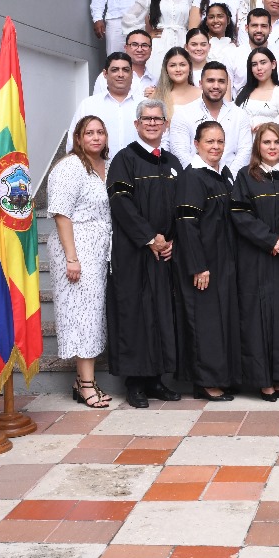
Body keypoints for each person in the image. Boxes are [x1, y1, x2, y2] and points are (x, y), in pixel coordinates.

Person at [106, 98, 183, 408]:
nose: (152, 123)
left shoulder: (173, 163)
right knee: (136, 315)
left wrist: (173, 240)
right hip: (134, 252)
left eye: (157, 119)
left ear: (165, 124)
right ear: (136, 124)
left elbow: (182, 207)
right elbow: (121, 203)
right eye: (147, 119)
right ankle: (135, 383)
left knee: (162, 313)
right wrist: (150, 237)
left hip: (164, 254)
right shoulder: (125, 160)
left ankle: (157, 380)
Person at [47, 116, 113, 408]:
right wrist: (72, 258)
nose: (96, 137)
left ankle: (82, 381)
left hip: (99, 250)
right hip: (76, 249)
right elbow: (61, 214)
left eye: (100, 132)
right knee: (84, 316)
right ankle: (87, 385)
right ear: (78, 137)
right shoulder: (70, 167)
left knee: (93, 314)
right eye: (89, 133)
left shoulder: (107, 165)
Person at [230, 124, 279, 401]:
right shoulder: (246, 177)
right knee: (257, 318)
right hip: (256, 258)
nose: (272, 147)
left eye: (277, 142)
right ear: (257, 146)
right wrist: (270, 240)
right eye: (266, 142)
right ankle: (263, 380)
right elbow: (240, 214)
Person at [174, 120, 239, 402]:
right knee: (204, 323)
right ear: (196, 144)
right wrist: (198, 265)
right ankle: (205, 382)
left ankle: (221, 376)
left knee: (220, 320)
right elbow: (187, 224)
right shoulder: (192, 177)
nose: (215, 146)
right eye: (209, 141)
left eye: (220, 141)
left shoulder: (222, 174)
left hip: (222, 260)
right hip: (203, 262)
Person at [166, 61, 253, 176]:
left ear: (227, 85)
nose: (216, 86)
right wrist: (203, 179)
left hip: (232, 181)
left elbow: (245, 151)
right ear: (200, 83)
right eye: (210, 80)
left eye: (221, 81)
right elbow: (180, 152)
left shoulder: (239, 114)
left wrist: (228, 179)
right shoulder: (183, 114)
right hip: (194, 180)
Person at [123, 0, 192, 80]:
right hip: (160, 42)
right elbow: (129, 17)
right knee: (157, 75)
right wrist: (146, 35)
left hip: (182, 39)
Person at [69, 52, 138, 152]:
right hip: (99, 163)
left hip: (137, 163)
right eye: (115, 70)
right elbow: (73, 141)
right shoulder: (88, 105)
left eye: (125, 70)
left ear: (132, 74)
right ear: (105, 74)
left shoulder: (144, 105)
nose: (120, 74)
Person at [235, 48, 279, 130]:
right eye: (254, 64)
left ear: (273, 64)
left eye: (263, 63)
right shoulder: (242, 92)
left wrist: (268, 127)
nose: (259, 68)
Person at [91, 30, 157, 98]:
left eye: (145, 45)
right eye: (134, 45)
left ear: (151, 49)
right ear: (126, 48)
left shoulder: (155, 81)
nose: (139, 49)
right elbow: (97, 103)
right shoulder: (107, 76)